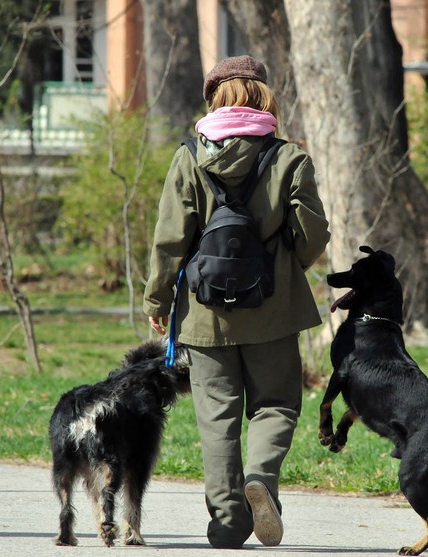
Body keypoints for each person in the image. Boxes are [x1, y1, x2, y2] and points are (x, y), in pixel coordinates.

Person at [143, 54, 330, 549]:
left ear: (213, 98)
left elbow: (169, 239)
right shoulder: (290, 157)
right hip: (273, 309)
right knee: (275, 404)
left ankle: (228, 522)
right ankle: (262, 480)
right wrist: (288, 266)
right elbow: (314, 234)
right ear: (263, 96)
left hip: (205, 314)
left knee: (217, 417)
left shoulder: (188, 156)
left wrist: (158, 298)